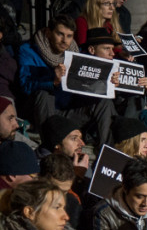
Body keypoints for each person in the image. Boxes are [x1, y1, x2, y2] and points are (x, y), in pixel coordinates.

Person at [19, 14, 114, 145]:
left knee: (103, 99)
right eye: (60, 34)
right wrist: (52, 80)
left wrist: (111, 80)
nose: (65, 40)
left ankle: (106, 151)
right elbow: (24, 86)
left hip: (66, 111)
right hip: (39, 111)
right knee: (45, 94)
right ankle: (50, 148)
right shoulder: (28, 51)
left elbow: (91, 77)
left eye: (69, 36)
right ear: (48, 33)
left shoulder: (76, 54)